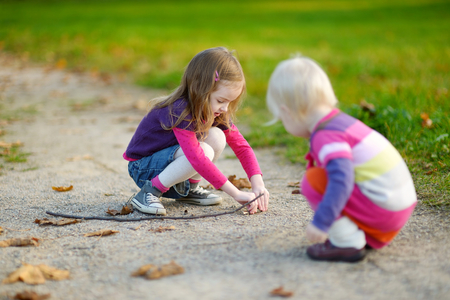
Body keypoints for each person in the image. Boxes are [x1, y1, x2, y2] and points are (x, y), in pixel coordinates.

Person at [266, 56, 417, 262]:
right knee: (324, 178)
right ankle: (360, 233)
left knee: (312, 182)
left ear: (288, 112)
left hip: (384, 212)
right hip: (397, 210)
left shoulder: (326, 136)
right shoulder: (342, 123)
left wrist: (322, 222)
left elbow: (341, 180)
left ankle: (347, 243)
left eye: (281, 119)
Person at [124, 47, 269, 216]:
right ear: (200, 89)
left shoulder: (214, 111)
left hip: (167, 167)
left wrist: (258, 183)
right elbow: (197, 158)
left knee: (217, 136)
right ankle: (149, 192)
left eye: (230, 102)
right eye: (221, 100)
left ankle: (189, 189)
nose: (225, 108)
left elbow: (241, 147)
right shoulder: (179, 110)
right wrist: (236, 193)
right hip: (143, 169)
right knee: (204, 150)